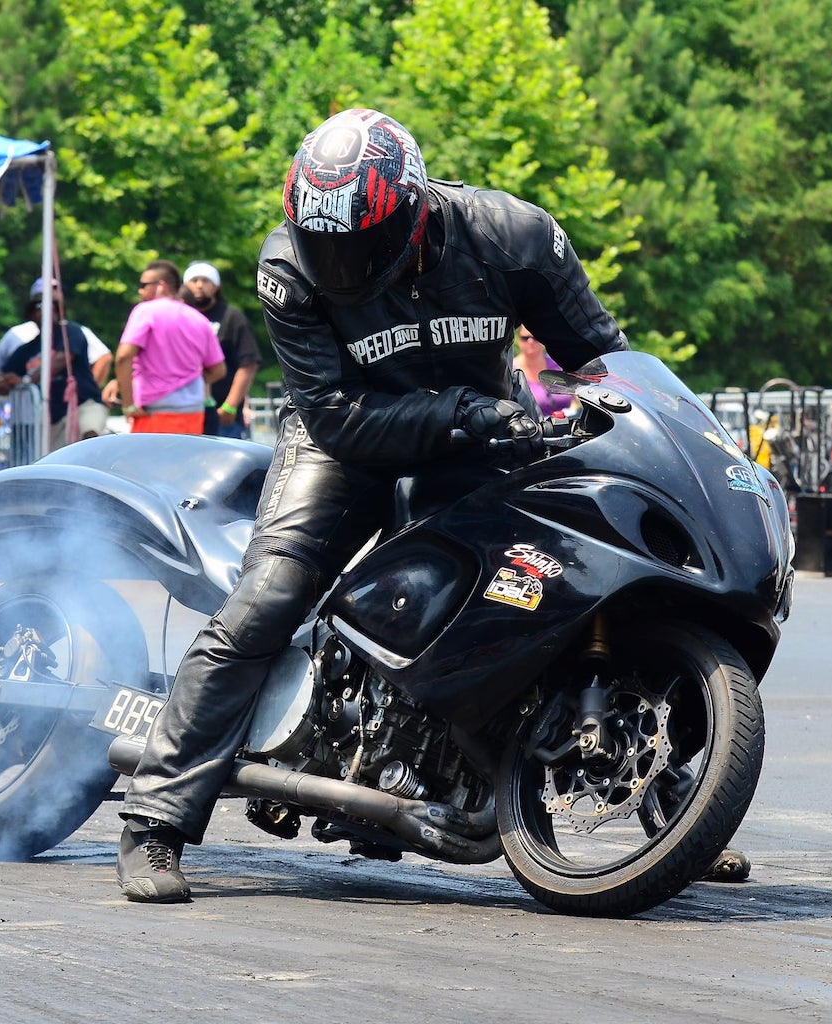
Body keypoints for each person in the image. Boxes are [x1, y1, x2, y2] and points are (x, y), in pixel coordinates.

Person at [114, 107, 633, 903]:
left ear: (414, 207)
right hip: (345, 439)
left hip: (482, 433)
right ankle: (154, 819)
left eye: (358, 242)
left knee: (558, 584)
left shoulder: (513, 235)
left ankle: (669, 811)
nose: (342, 262)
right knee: (269, 597)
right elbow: (331, 414)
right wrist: (468, 412)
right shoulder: (288, 266)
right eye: (327, 244)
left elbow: (601, 356)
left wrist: (615, 419)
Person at [0, 288, 107, 449]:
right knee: (59, 462)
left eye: (51, 307)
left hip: (84, 405)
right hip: (54, 418)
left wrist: (25, 380)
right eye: (38, 308)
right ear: (31, 315)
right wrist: (1, 381)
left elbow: (61, 359)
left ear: (59, 311)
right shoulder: (27, 350)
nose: (44, 312)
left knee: (90, 437)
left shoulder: (71, 332)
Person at [114, 259, 225, 434]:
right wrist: (186, 379)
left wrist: (128, 405)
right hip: (194, 412)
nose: (140, 290)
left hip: (154, 413)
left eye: (144, 285)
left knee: (149, 461)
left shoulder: (145, 311)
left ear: (161, 285)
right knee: (185, 461)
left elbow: (123, 357)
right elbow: (218, 369)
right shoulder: (200, 319)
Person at [183, 261, 262, 438]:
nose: (199, 285)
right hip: (183, 413)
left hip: (222, 416)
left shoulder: (232, 317)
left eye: (206, 280)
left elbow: (249, 363)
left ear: (217, 286)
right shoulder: (178, 317)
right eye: (194, 280)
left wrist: (230, 405)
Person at [513, 323, 574, 416]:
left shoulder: (560, 364)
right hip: (533, 427)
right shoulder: (510, 371)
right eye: (525, 338)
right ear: (518, 340)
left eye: (535, 337)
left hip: (569, 424)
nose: (530, 341)